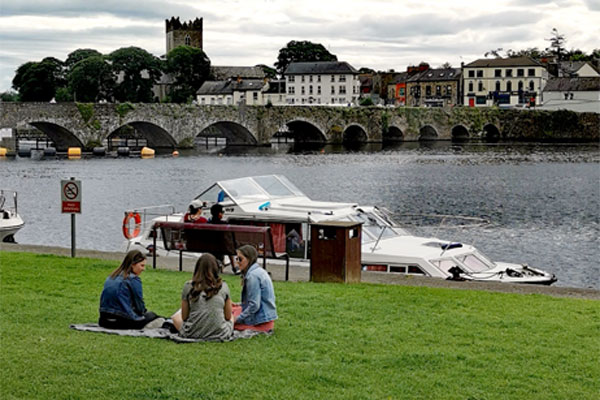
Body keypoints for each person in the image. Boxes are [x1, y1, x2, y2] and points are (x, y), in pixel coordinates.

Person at [170, 254, 234, 340]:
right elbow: (228, 317)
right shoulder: (223, 286)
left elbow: (184, 317)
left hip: (192, 333)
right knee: (232, 317)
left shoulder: (188, 286)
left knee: (175, 317)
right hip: (220, 334)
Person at [99, 250, 162, 329]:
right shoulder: (133, 279)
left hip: (104, 320)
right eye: (142, 265)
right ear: (133, 265)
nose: (144, 269)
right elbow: (139, 305)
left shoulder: (112, 276)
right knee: (152, 315)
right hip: (122, 320)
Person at [233, 245, 277, 332]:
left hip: (261, 321)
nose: (237, 262)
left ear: (249, 259)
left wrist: (236, 319)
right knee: (231, 309)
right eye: (236, 259)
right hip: (267, 317)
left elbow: (254, 305)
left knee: (226, 319)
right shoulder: (258, 271)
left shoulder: (252, 276)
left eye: (240, 259)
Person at [208, 203, 240, 275]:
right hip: (222, 249)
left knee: (228, 245)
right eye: (222, 212)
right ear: (219, 214)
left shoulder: (208, 224)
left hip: (209, 248)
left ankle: (221, 264)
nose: (223, 214)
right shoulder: (224, 224)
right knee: (229, 245)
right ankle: (234, 266)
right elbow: (230, 241)